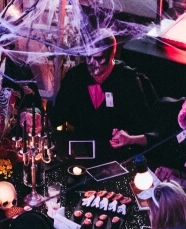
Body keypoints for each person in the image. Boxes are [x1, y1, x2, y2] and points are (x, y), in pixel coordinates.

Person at [48, 29, 158, 159]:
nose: (91, 63)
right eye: (88, 57)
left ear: (112, 54)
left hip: (118, 153)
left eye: (98, 58)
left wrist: (127, 133)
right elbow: (58, 114)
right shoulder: (75, 77)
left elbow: (146, 123)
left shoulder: (128, 80)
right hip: (81, 151)